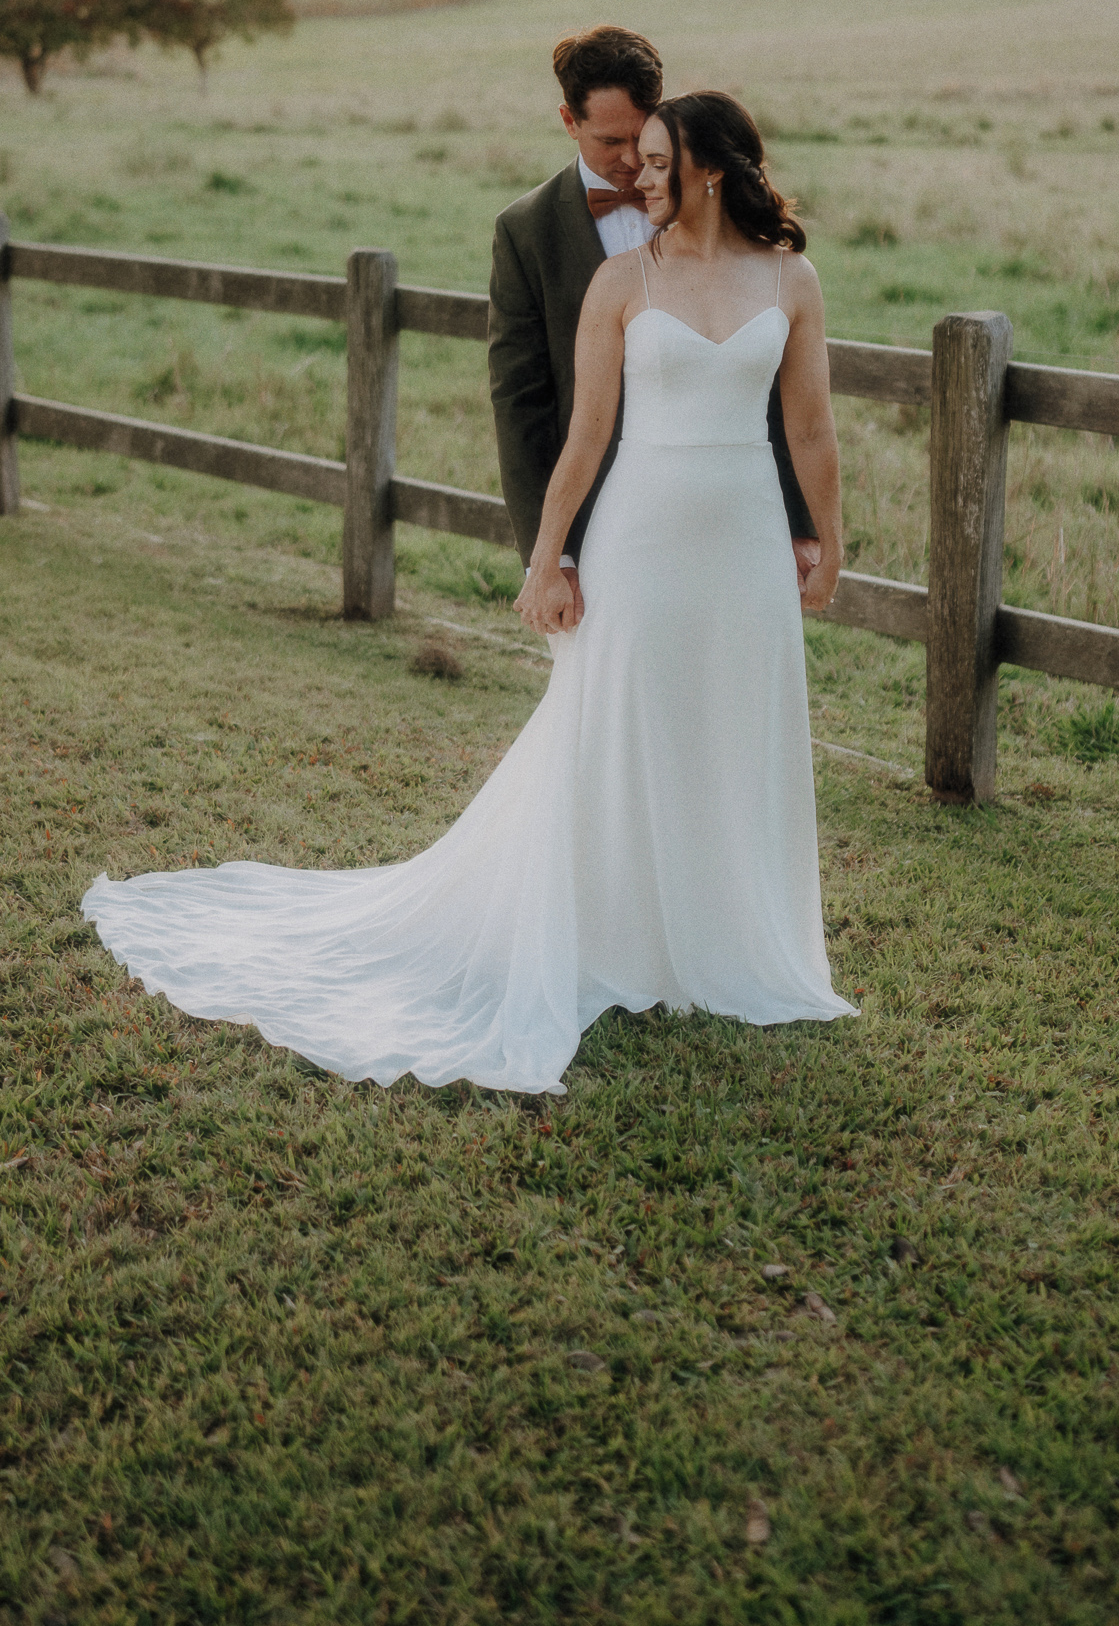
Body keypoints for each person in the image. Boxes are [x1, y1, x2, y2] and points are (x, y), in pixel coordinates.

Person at [81, 89, 855, 1095]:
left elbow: (810, 430)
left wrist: (826, 542)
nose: (641, 176)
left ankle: (728, 940)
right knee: (616, 726)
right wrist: (548, 558)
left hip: (744, 542)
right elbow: (581, 437)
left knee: (731, 724)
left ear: (712, 167)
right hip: (641, 538)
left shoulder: (792, 280)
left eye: (660, 161)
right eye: (638, 158)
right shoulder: (624, 283)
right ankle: (617, 932)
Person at [489, 24, 821, 618]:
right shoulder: (525, 231)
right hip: (596, 522)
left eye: (642, 140)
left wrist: (801, 522)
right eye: (609, 140)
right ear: (569, 121)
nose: (630, 162)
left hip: (737, 519)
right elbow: (522, 405)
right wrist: (550, 557)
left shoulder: (726, 226)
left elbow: (773, 387)